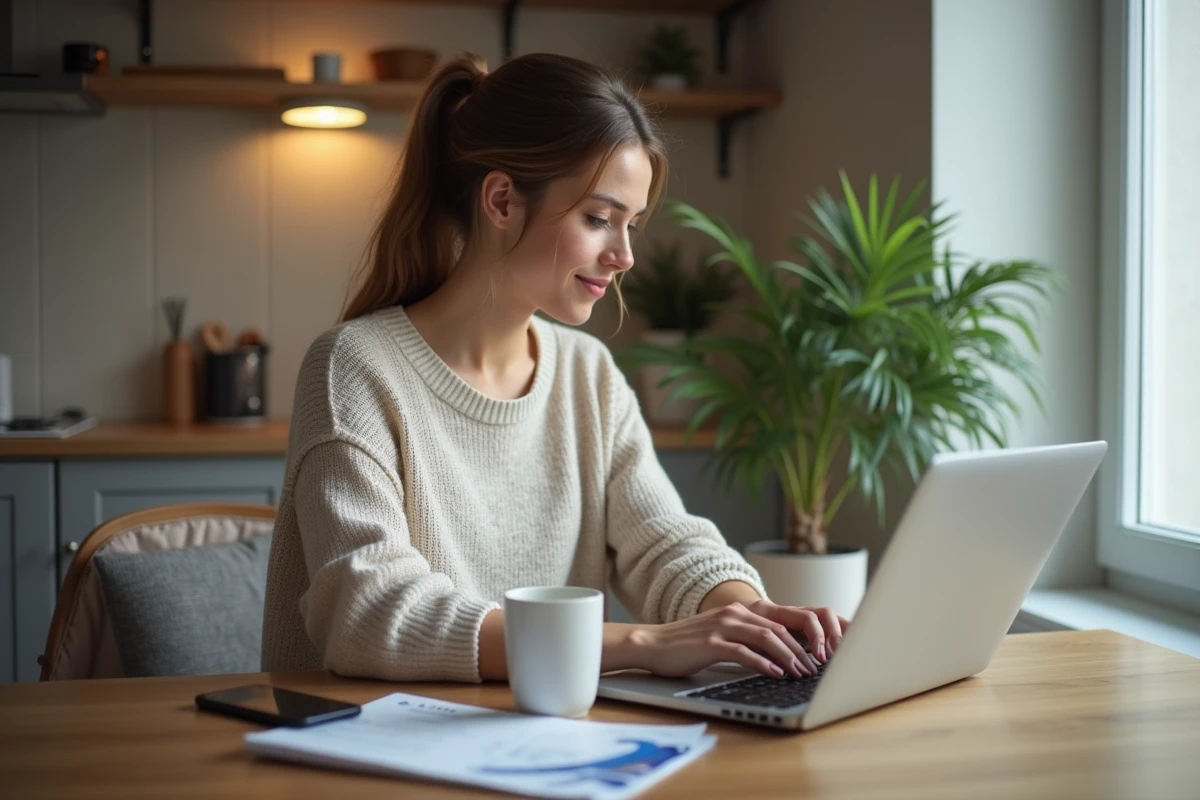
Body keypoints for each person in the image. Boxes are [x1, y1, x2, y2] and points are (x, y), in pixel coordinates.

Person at [261, 51, 848, 684]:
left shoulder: (587, 373)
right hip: (375, 756)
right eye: (599, 219)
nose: (623, 255)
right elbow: (370, 611)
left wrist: (752, 621)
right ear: (502, 199)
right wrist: (645, 642)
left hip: (547, 749)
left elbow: (666, 541)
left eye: (631, 225)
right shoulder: (353, 367)